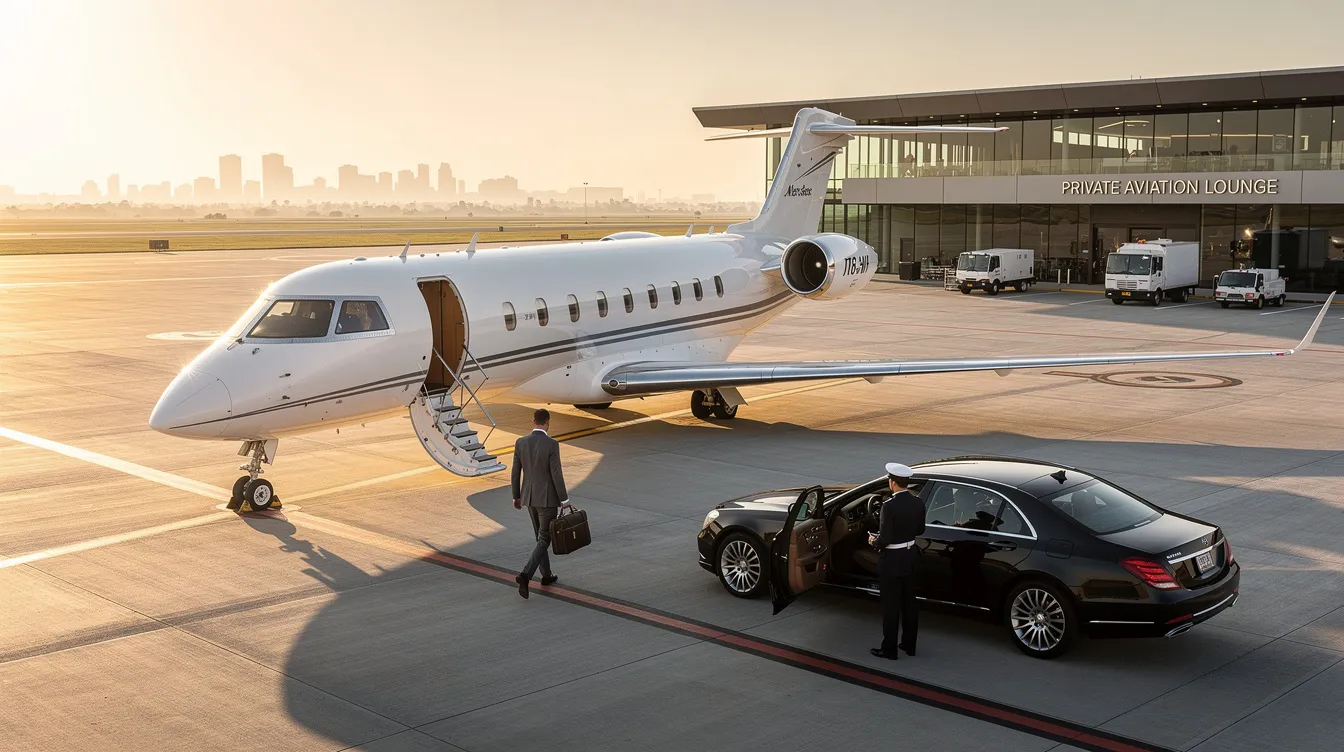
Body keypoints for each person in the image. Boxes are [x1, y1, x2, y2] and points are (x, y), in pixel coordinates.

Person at [868, 462, 925, 660]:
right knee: (910, 604)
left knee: (891, 607)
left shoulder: (888, 506)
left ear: (892, 482)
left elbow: (884, 540)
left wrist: (873, 541)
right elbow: (920, 530)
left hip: (892, 561)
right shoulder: (918, 502)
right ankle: (909, 645)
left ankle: (889, 649)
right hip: (910, 558)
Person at [511, 408, 570, 599]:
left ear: (533, 421)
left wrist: (516, 496)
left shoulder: (521, 442)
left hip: (529, 498)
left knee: (540, 538)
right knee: (545, 538)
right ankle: (525, 575)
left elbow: (515, 471)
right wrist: (564, 499)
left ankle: (546, 575)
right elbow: (556, 473)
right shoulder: (552, 444)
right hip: (547, 500)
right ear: (548, 422)